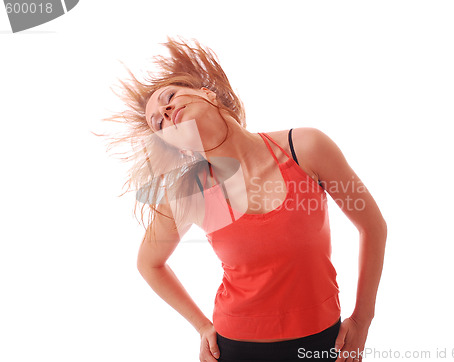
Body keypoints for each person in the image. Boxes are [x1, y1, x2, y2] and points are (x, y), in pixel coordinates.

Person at [102, 37, 387, 362]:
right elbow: (149, 263)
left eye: (168, 97)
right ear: (177, 146)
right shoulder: (189, 192)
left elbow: (372, 226)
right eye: (159, 123)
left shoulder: (305, 147)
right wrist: (201, 326)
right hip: (236, 346)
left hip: (323, 342)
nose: (166, 112)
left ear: (208, 93)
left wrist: (362, 320)